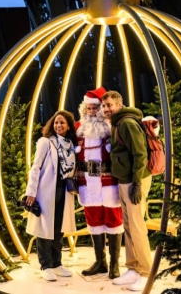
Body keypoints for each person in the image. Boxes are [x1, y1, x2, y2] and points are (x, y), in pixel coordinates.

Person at [101, 90, 152, 292]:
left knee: (137, 227)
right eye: (104, 106)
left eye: (110, 105)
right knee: (129, 226)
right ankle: (134, 268)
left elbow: (140, 154)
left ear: (119, 105)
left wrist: (137, 184)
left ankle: (147, 273)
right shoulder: (117, 123)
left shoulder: (127, 123)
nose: (106, 109)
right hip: (124, 180)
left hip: (134, 180)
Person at [74, 87, 123, 279]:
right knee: (93, 221)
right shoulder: (79, 126)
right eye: (89, 108)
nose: (92, 112)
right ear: (84, 109)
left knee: (114, 220)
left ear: (102, 109)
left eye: (96, 108)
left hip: (109, 181)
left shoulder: (111, 126)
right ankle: (100, 261)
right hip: (87, 182)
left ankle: (114, 264)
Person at [25, 110, 77, 282]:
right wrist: (31, 192)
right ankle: (45, 265)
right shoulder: (46, 142)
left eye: (62, 122)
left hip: (64, 190)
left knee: (58, 229)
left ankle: (57, 263)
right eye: (56, 122)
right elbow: (35, 167)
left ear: (68, 125)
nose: (58, 125)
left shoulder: (70, 145)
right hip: (46, 191)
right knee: (44, 229)